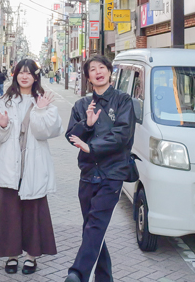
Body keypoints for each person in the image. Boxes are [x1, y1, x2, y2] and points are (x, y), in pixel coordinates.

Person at [0, 59, 62, 275]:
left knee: (34, 211)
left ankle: (31, 256)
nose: (24, 76)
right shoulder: (5, 101)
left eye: (29, 73)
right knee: (9, 212)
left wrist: (41, 111)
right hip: (10, 165)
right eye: (20, 72)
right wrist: (3, 125)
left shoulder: (43, 101)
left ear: (36, 77)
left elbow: (48, 132)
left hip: (34, 165)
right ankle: (11, 255)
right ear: (15, 75)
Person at [64, 55, 136, 282]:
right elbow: (71, 135)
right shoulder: (81, 105)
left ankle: (78, 273)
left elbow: (122, 135)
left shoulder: (123, 101)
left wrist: (91, 146)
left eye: (102, 67)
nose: (98, 71)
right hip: (87, 174)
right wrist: (87, 124)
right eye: (92, 69)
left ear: (109, 71)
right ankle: (104, 277)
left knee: (95, 225)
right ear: (87, 77)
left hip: (112, 173)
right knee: (93, 228)